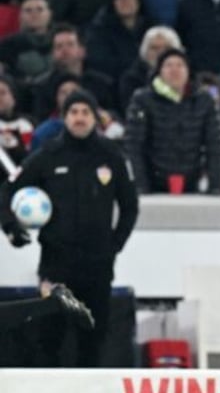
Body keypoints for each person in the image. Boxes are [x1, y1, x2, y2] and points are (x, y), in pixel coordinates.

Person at [0, 90, 139, 367]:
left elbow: (130, 206)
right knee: (50, 336)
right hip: (56, 265)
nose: (79, 118)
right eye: (73, 112)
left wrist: (115, 245)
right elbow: (7, 191)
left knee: (93, 338)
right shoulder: (48, 155)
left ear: (95, 119)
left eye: (85, 112)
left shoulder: (111, 155)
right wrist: (11, 228)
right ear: (64, 118)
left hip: (98, 266)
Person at [124, 48, 220, 194]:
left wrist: (215, 186)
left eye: (180, 65)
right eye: (169, 65)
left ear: (188, 71)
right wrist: (141, 186)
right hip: (152, 184)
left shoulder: (205, 101)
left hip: (192, 183)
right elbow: (134, 145)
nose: (174, 70)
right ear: (159, 71)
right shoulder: (142, 100)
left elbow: (215, 146)